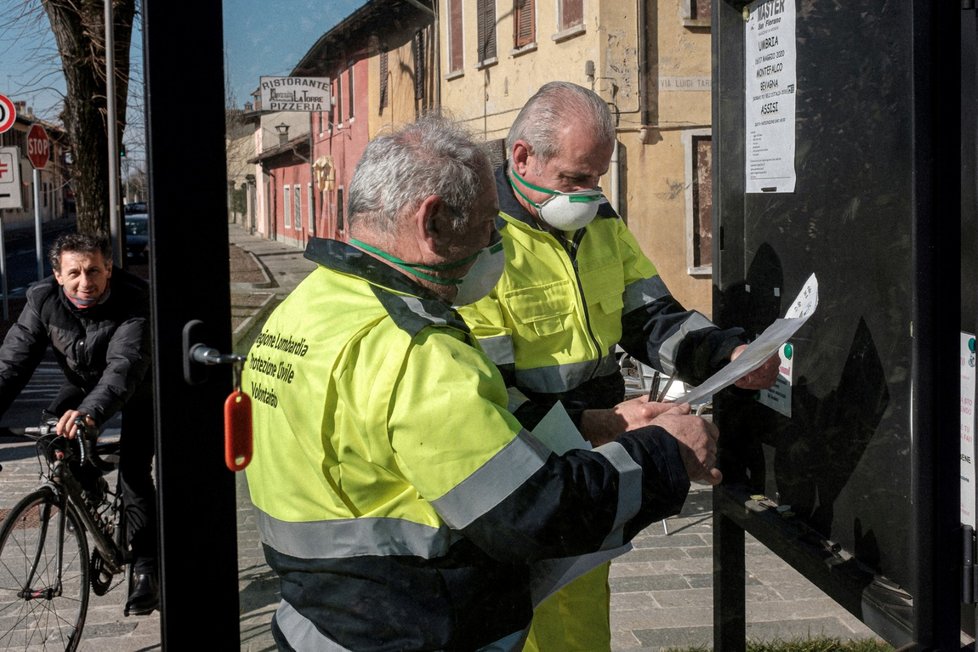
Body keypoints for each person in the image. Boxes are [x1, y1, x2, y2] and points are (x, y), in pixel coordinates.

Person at [243, 115, 724, 651]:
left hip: (320, 623)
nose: (497, 239)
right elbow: (532, 512)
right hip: (413, 627)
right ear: (432, 223)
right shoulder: (416, 351)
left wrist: (600, 423)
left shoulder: (306, 308)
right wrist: (664, 452)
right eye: (487, 222)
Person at [455, 81, 780, 652]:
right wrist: (600, 423)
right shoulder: (483, 240)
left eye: (597, 178)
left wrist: (725, 353)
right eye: (575, 179)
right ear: (522, 156)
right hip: (524, 458)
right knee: (523, 618)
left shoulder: (597, 218)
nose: (588, 194)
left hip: (595, 452)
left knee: (580, 607)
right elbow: (488, 392)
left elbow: (651, 314)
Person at [0, 232, 158, 615]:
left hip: (140, 387)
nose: (85, 282)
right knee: (53, 439)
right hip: (83, 383)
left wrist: (89, 414)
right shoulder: (42, 301)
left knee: (134, 474)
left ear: (109, 270)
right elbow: (11, 365)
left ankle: (146, 570)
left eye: (94, 271)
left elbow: (125, 367)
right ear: (57, 274)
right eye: (74, 273)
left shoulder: (136, 298)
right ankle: (89, 491)